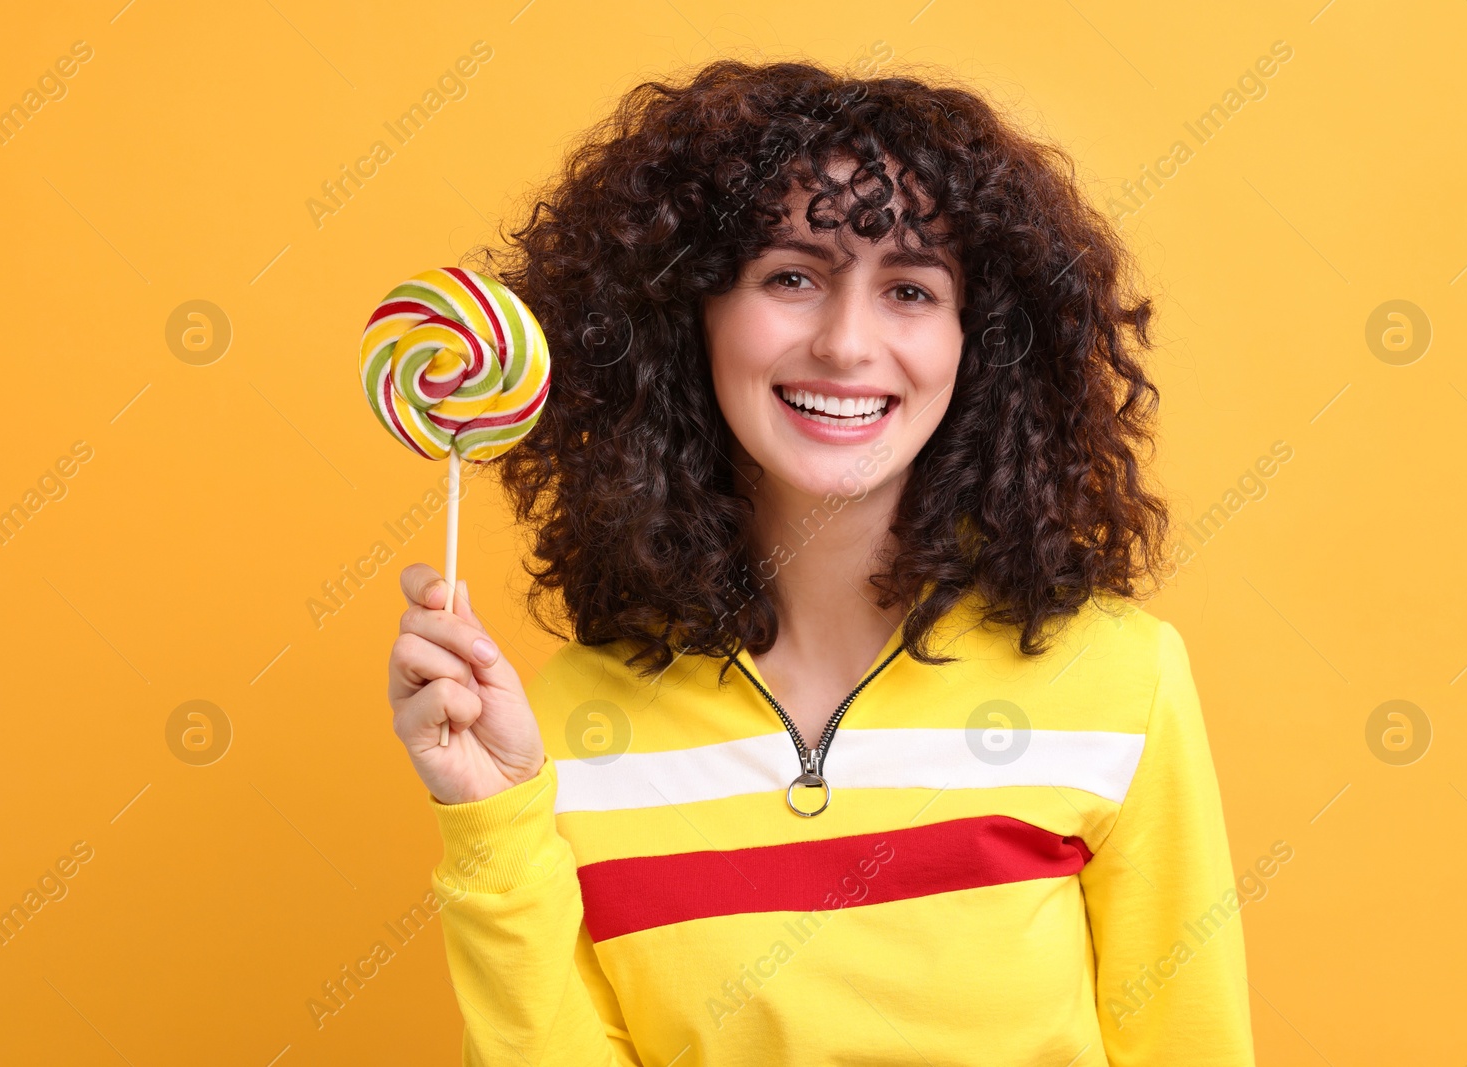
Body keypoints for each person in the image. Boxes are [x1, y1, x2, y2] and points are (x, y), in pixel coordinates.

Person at [386, 58, 1254, 1066]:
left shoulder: (1118, 678)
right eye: (791, 275)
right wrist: (490, 816)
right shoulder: (560, 728)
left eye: (910, 289)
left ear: (982, 340)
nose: (846, 343)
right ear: (687, 316)